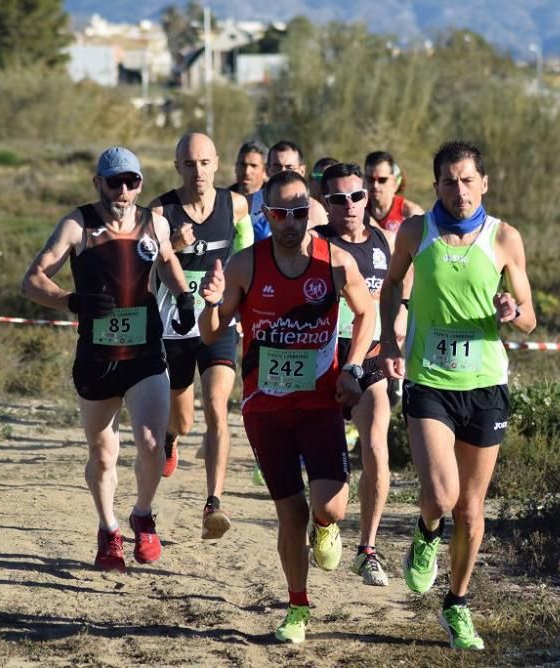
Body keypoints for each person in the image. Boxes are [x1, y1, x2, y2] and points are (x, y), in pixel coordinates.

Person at [197, 169, 375, 643]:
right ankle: (297, 606)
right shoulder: (244, 265)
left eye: (300, 212)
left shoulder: (335, 262)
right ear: (267, 215)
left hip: (319, 403)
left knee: (331, 508)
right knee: (289, 513)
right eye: (281, 214)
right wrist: (212, 303)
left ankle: (326, 525)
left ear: (311, 212)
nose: (291, 223)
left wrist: (353, 366)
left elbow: (367, 312)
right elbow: (212, 332)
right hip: (265, 408)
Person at [380, 140, 536, 650]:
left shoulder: (505, 238)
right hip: (430, 382)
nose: (459, 190)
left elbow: (531, 318)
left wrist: (513, 313)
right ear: (436, 186)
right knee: (441, 496)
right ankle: (427, 534)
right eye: (449, 181)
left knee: (470, 508)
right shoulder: (414, 231)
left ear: (484, 183)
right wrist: (387, 337)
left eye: (468, 180)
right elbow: (390, 285)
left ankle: (457, 604)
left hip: (486, 385)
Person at [21, 147, 195, 572]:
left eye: (131, 182)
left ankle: (143, 513)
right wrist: (70, 300)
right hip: (97, 358)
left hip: (145, 353)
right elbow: (31, 281)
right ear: (97, 182)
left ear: (140, 184)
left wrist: (184, 295)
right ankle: (109, 529)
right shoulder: (78, 224)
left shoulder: (154, 221)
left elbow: (169, 261)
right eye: (114, 181)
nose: (123, 190)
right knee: (102, 455)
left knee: (153, 444)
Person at [148, 133, 251, 540]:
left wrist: (241, 298)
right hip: (174, 326)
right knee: (184, 421)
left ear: (217, 164)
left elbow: (248, 246)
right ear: (177, 167)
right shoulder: (160, 211)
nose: (198, 172)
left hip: (216, 321)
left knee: (216, 407)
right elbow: (144, 264)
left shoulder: (235, 204)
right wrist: (172, 245)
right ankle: (171, 438)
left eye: (205, 163)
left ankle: (214, 504)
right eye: (189, 164)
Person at [312, 162, 403, 587]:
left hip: (369, 363)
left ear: (368, 196)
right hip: (325, 365)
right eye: (338, 198)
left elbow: (391, 300)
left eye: (357, 196)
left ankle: (367, 549)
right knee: (325, 468)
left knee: (376, 449)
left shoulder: (383, 241)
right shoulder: (316, 246)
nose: (349, 205)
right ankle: (325, 522)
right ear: (324, 203)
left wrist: (396, 340)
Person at [250, 140, 329, 241]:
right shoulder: (249, 204)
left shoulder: (315, 210)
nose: (283, 172)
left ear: (302, 171)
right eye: (276, 167)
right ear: (267, 170)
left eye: (289, 167)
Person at [365, 151, 424, 233]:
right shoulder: (356, 209)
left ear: (394, 182)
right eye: (370, 179)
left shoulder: (411, 214)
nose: (375, 185)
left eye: (382, 180)